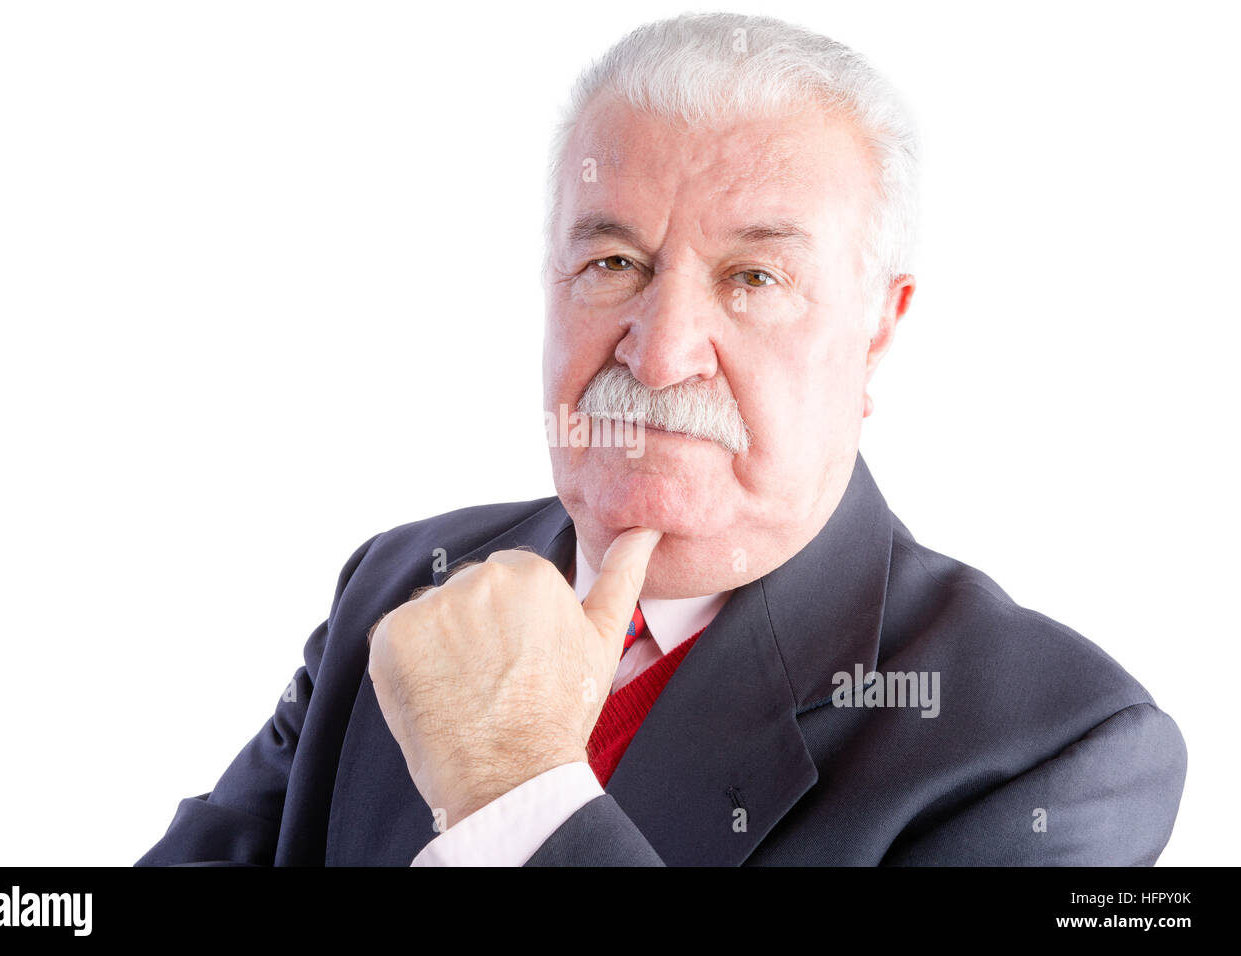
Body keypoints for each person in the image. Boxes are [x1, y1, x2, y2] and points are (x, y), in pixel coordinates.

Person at [138, 12, 1187, 867]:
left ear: (878, 327)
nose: (659, 353)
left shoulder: (1055, 750)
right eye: (614, 264)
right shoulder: (399, 584)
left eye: (753, 277)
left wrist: (515, 787)